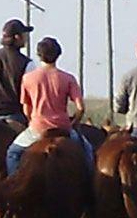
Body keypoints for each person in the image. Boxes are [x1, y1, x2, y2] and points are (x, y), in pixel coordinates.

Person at [10, 37, 92, 173]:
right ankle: (91, 184)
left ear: (39, 55)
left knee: (13, 153)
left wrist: (32, 120)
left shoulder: (28, 78)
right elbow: (80, 108)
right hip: (63, 128)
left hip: (38, 129)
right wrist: (74, 123)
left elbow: (26, 108)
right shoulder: (68, 78)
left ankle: (14, 182)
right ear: (58, 54)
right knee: (88, 151)